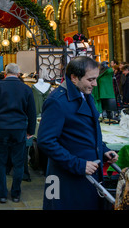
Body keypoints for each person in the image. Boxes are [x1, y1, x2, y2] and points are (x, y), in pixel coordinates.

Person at [37, 56, 119, 210]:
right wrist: (78, 164)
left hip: (87, 177)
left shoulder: (85, 94)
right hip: (66, 178)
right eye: (91, 79)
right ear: (74, 78)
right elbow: (45, 141)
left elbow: (87, 131)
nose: (95, 83)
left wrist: (104, 151)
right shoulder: (57, 101)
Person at [0, 63, 37, 204]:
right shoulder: (26, 89)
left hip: (0, 128)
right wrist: (31, 130)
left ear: (5, 73)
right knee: (18, 162)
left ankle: (2, 195)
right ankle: (16, 194)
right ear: (18, 74)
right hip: (19, 129)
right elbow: (32, 112)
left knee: (0, 162)